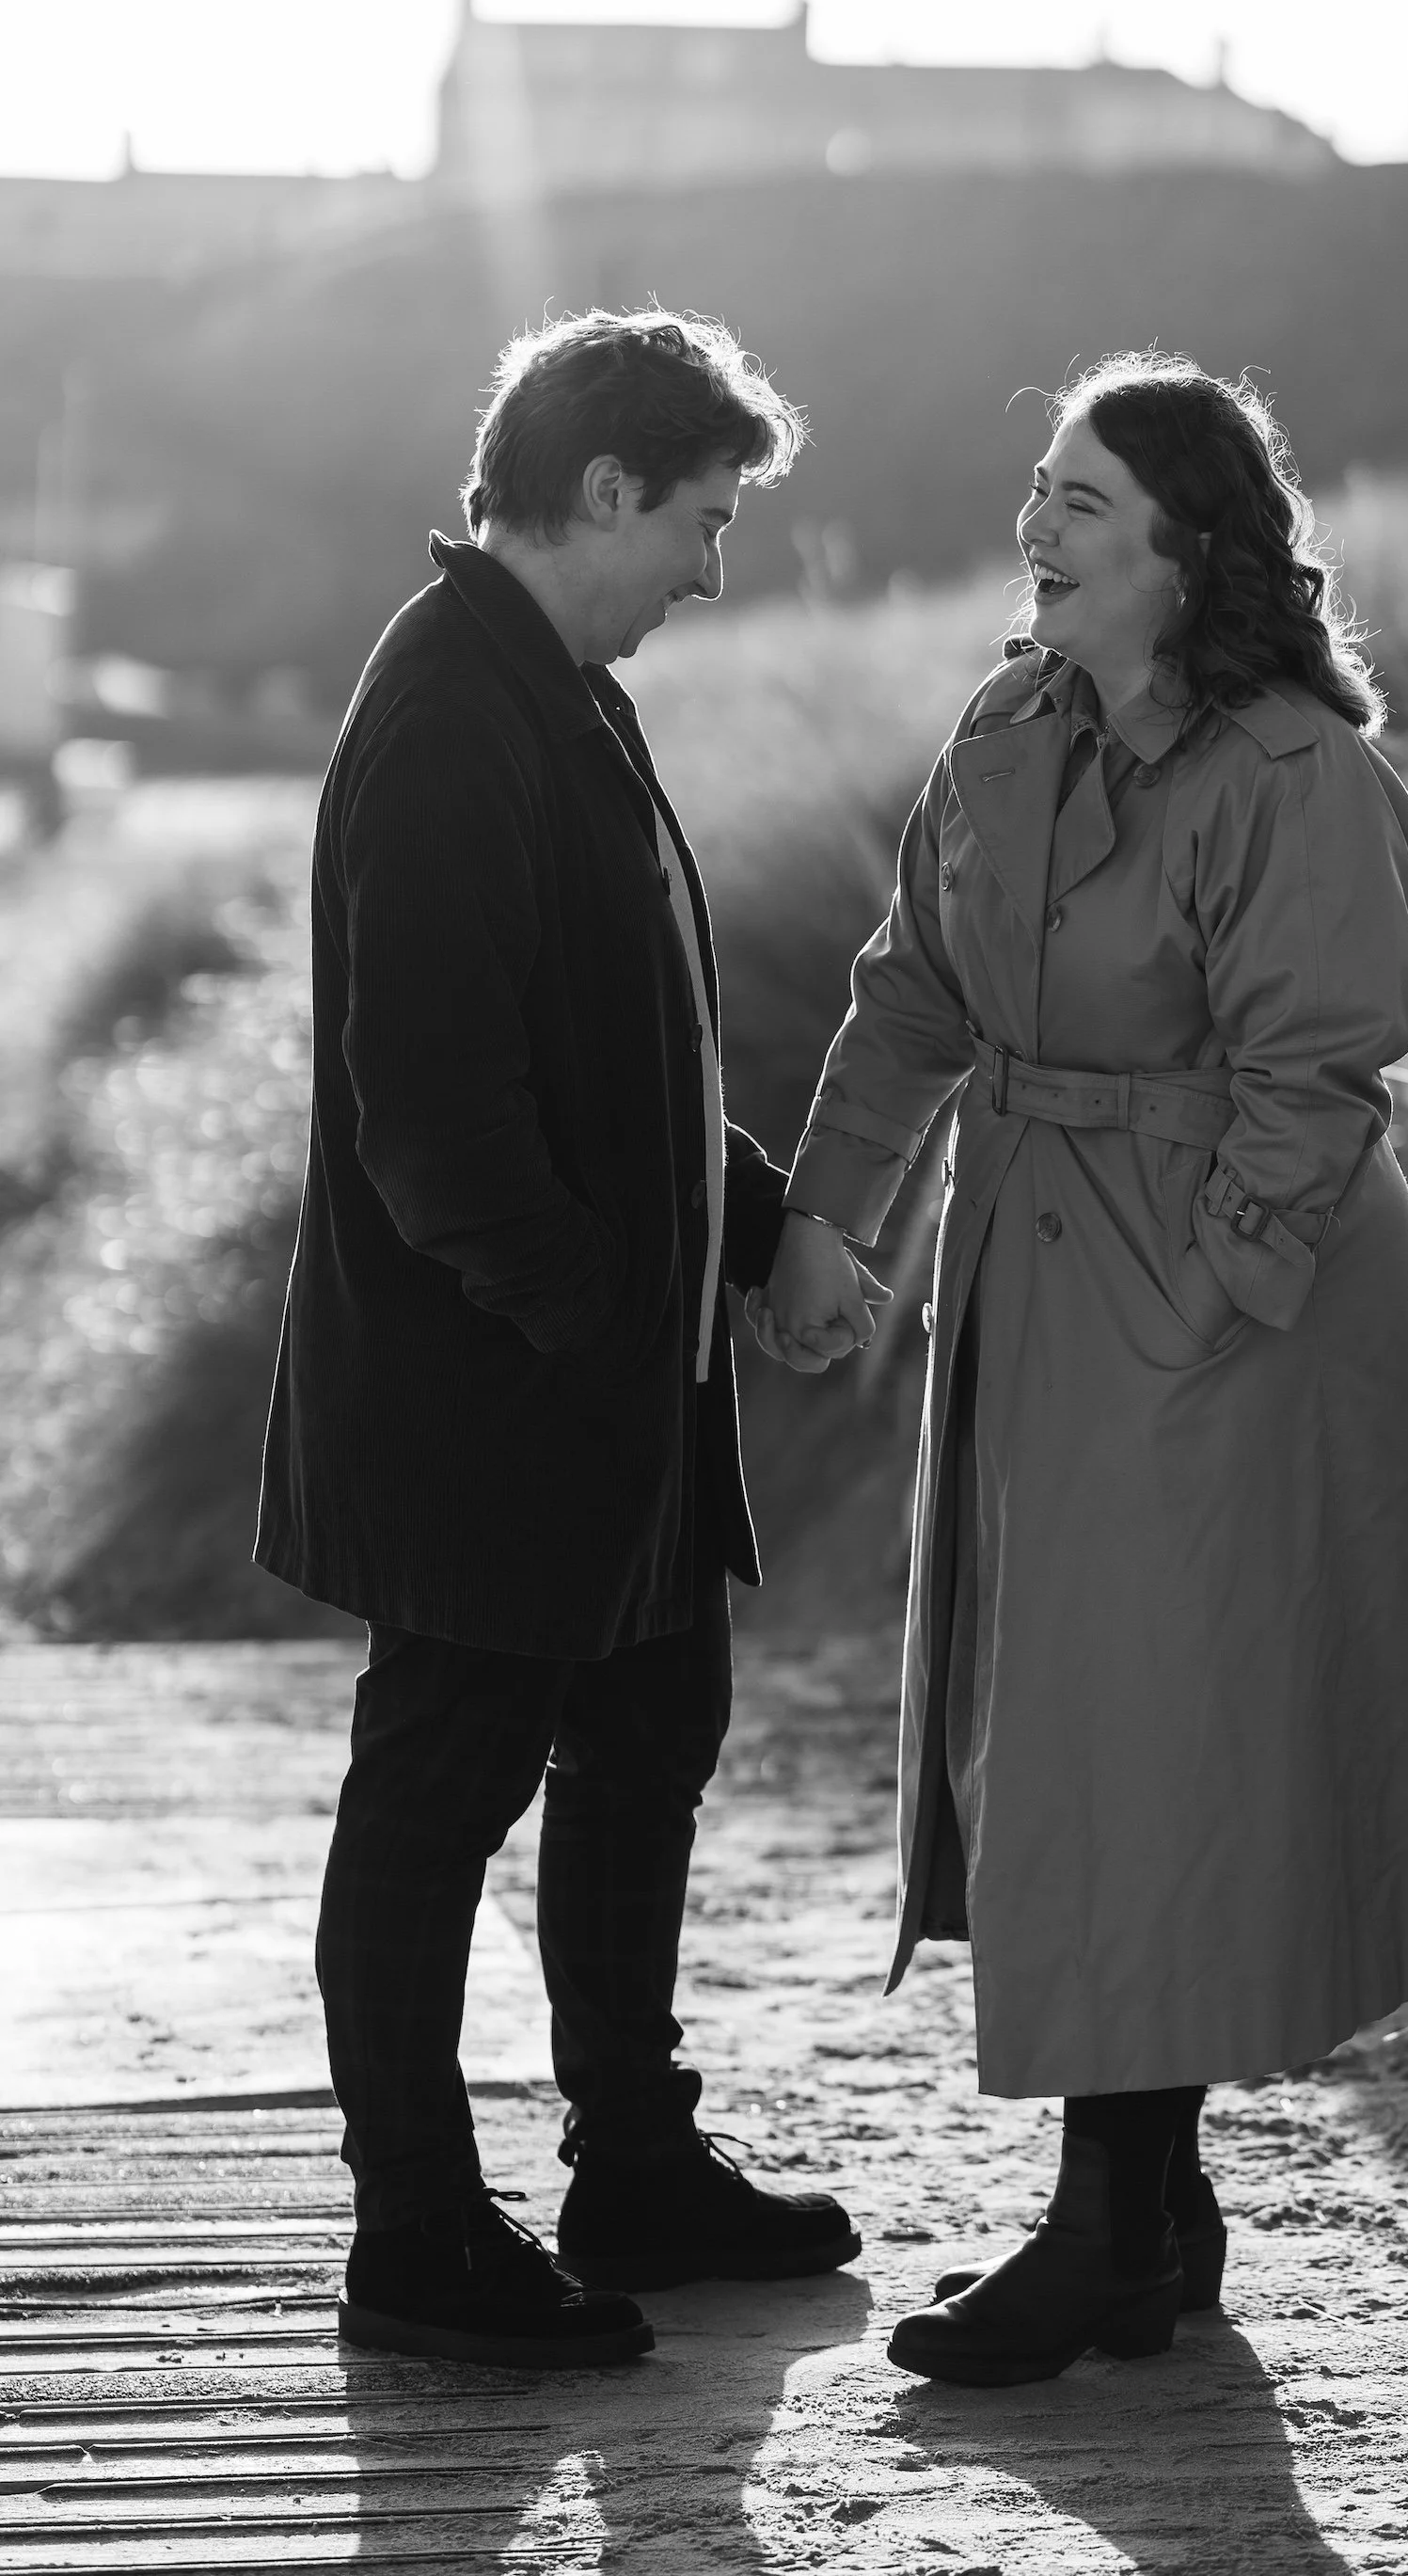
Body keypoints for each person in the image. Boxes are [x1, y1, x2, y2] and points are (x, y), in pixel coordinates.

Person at [757, 350, 1408, 2388]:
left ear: (1190, 551)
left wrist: (1207, 1303)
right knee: (1072, 1724)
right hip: (1036, 1272)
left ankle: (1108, 2226)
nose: (1035, 528)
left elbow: (1321, 1062)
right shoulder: (1007, 730)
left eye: (1080, 501)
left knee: (1146, 1739)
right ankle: (1157, 2212)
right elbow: (913, 994)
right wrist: (828, 1225)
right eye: (1039, 490)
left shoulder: (1300, 776)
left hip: (1216, 1327)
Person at [257, 309, 877, 2370]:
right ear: (603, 490)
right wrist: (613, 1328)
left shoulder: (556, 688)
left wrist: (764, 1228)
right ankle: (416, 2240)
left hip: (603, 1395)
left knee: (645, 1746)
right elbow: (437, 1121)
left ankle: (633, 2166)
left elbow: (624, 1054)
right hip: (497, 1405)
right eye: (701, 520)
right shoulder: (454, 713)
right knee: (436, 1796)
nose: (714, 566)